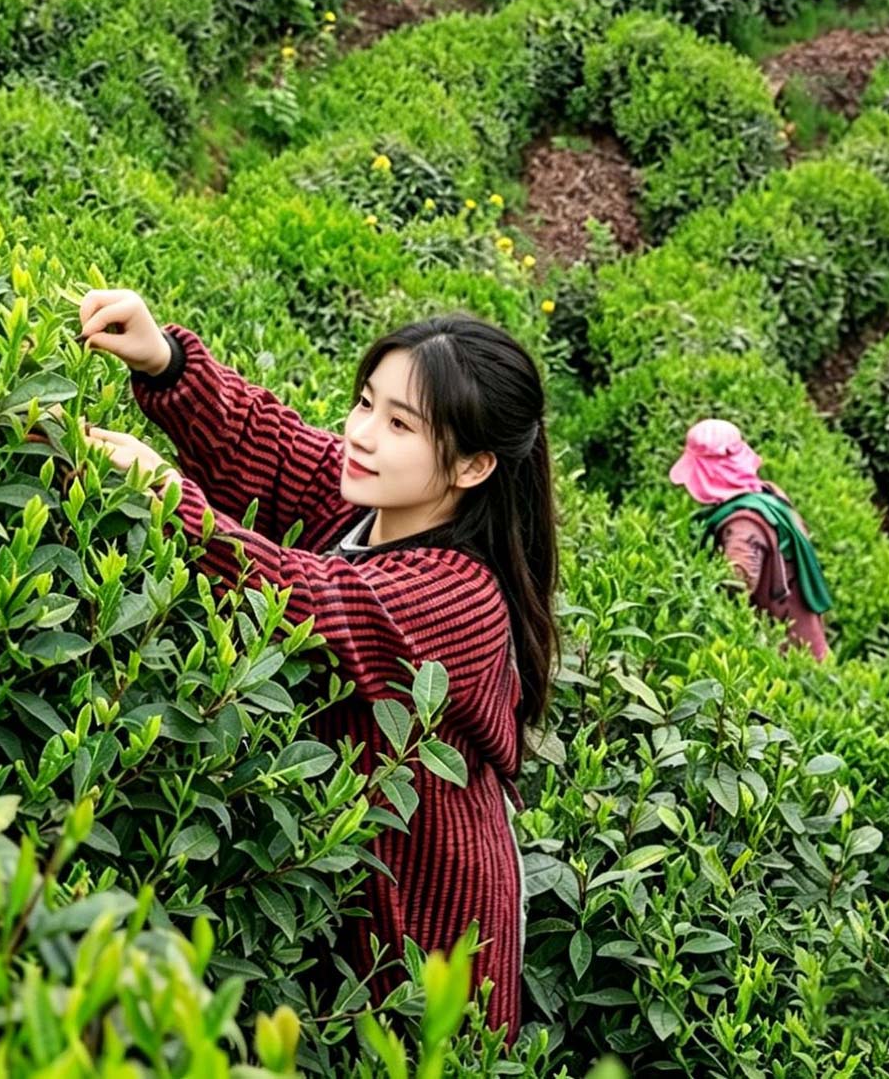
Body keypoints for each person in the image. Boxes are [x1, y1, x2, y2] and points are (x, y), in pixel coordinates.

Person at [77, 289, 559, 1042]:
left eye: (400, 423)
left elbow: (319, 601)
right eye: (366, 403)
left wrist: (174, 500)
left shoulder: (462, 598)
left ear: (472, 465)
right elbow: (269, 443)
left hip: (428, 919)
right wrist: (166, 360)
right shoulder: (375, 499)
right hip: (347, 875)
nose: (363, 434)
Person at [669, 418, 832, 661]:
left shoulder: (744, 525)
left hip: (785, 652)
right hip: (805, 634)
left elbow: (737, 585)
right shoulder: (769, 495)